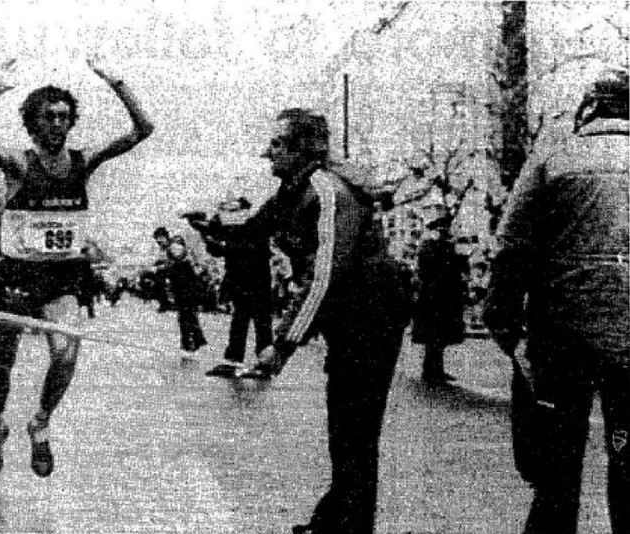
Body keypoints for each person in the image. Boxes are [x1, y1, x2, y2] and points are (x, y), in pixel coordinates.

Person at [0, 57, 153, 480]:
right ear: (33, 123)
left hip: (62, 278)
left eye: (65, 116)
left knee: (67, 354)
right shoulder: (18, 164)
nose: (59, 124)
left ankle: (40, 423)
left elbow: (142, 129)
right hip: (17, 277)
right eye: (49, 117)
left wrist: (113, 78)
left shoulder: (84, 162)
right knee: (1, 363)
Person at [241, 109, 410, 533]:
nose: (268, 153)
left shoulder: (325, 189)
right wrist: (212, 229)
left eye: (278, 144)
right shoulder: (293, 190)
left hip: (370, 311)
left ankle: (348, 526)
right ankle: (337, 519)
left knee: (355, 430)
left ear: (304, 150)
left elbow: (325, 275)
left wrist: (281, 347)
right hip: (350, 315)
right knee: (345, 428)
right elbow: (251, 229)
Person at [483, 66, 628, 534]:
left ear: (589, 109)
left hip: (561, 333)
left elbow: (512, 243)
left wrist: (503, 320)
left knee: (555, 473)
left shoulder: (554, 155)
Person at [190, 198, 273, 375]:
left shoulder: (255, 224)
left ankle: (265, 362)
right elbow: (217, 248)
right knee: (241, 318)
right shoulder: (236, 225)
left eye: (233, 210)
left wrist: (214, 238)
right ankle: (235, 359)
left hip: (257, 278)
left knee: (261, 320)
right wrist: (204, 232)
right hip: (240, 279)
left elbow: (239, 247)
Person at [410, 219, 467, 384]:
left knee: (440, 337)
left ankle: (436, 370)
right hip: (434, 297)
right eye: (441, 231)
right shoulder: (429, 246)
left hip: (443, 297)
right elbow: (431, 270)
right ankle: (430, 371)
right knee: (434, 336)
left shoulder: (443, 246)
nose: (444, 234)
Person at [165, 235, 207, 353]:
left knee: (189, 319)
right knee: (187, 319)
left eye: (178, 249)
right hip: (182, 296)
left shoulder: (186, 265)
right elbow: (172, 283)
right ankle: (193, 342)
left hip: (188, 296)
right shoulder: (174, 266)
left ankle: (192, 342)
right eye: (174, 250)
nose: (175, 251)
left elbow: (194, 281)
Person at [151, 226, 174, 312]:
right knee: (153, 276)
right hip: (169, 271)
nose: (158, 242)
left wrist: (161, 267)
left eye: (160, 239)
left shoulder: (173, 246)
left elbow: (174, 261)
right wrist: (155, 266)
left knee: (159, 274)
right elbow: (160, 260)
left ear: (165, 237)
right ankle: (165, 302)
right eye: (157, 240)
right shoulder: (162, 248)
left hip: (180, 270)